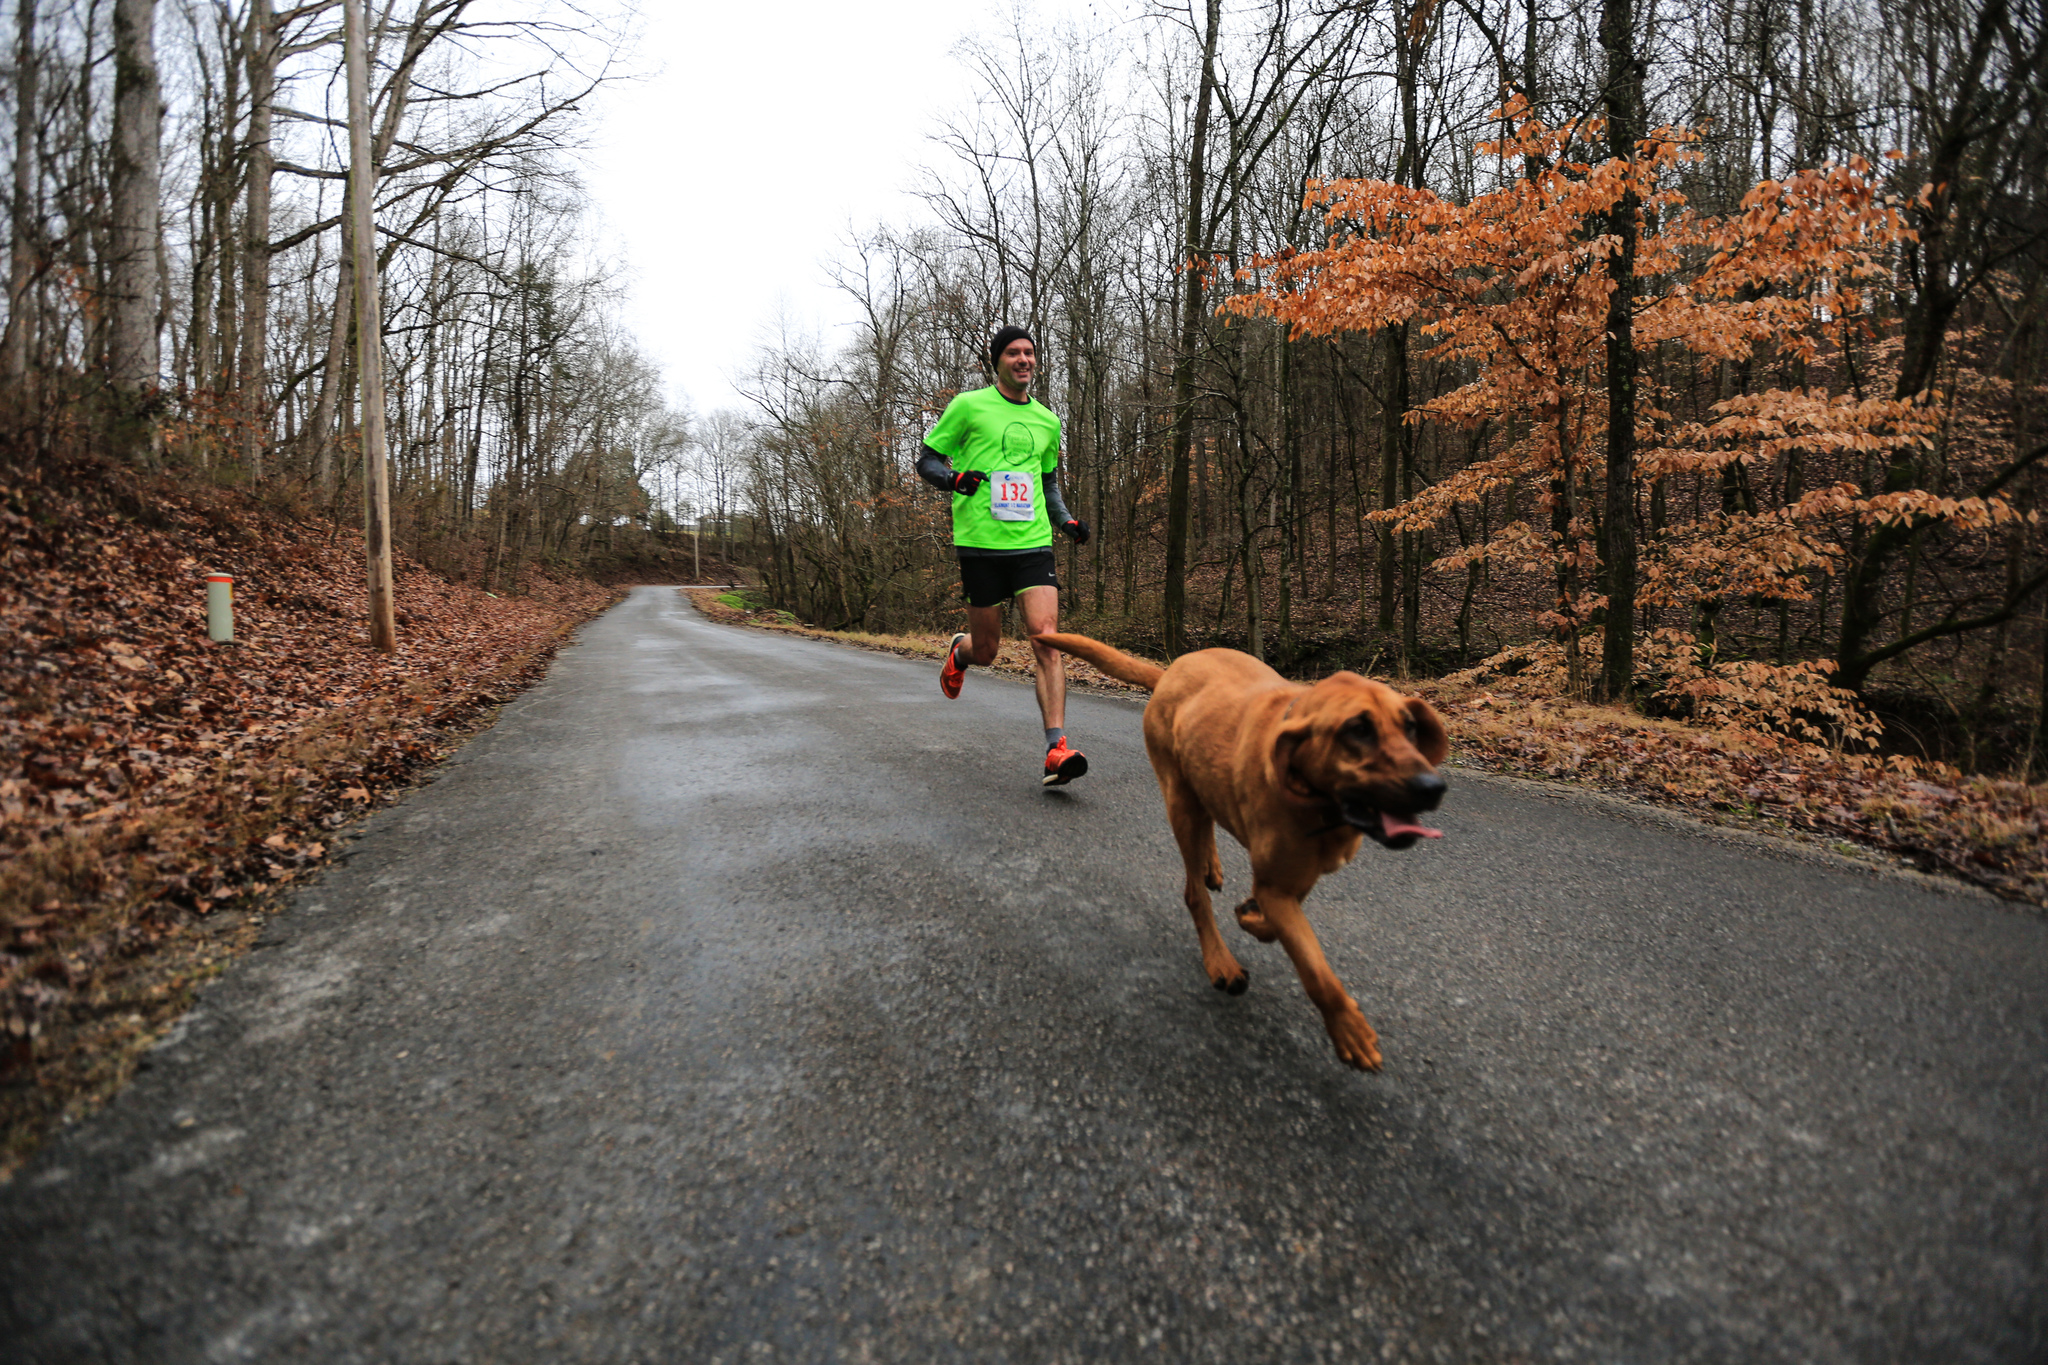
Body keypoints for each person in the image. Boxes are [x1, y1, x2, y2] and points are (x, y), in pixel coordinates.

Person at [916, 325, 1092, 786]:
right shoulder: (969, 406)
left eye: (1029, 353)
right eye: (1013, 353)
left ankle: (1056, 748)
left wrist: (1065, 521)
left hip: (1033, 544)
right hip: (979, 545)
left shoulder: (1048, 421)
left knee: (1046, 639)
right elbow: (927, 460)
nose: (1023, 360)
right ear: (996, 361)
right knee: (989, 651)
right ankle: (962, 651)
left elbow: (1047, 481)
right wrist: (953, 479)